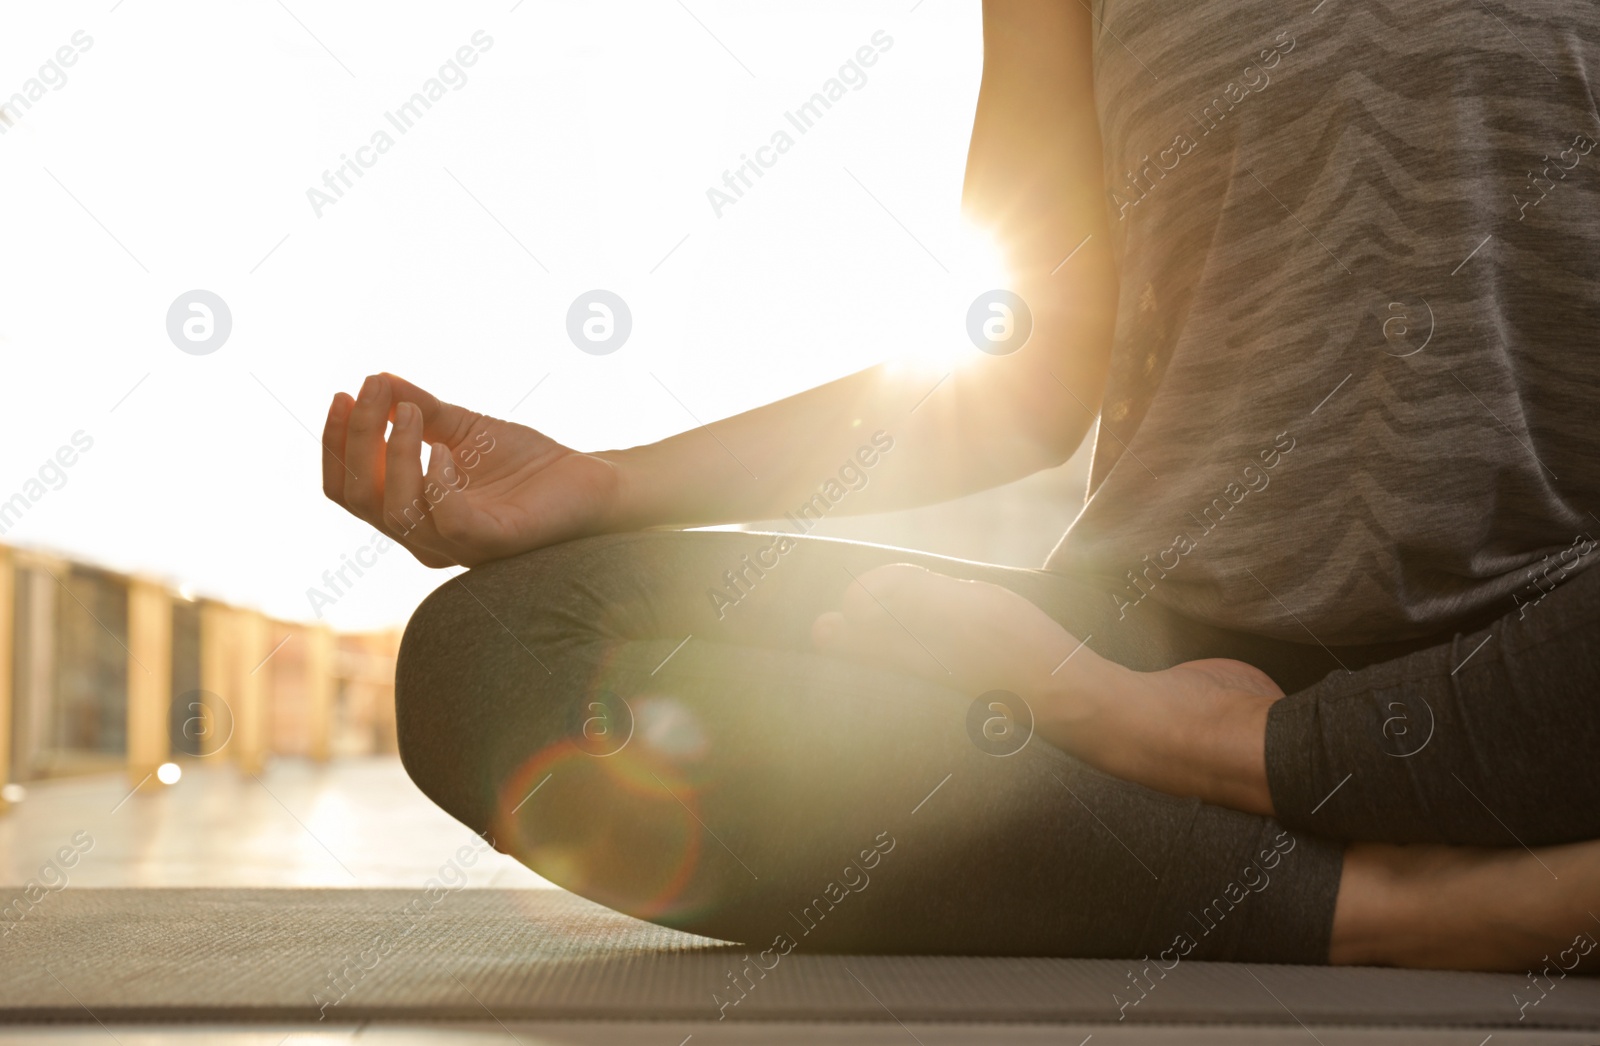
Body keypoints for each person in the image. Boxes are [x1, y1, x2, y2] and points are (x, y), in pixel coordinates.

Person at [321, 0, 1600, 971]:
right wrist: (606, 481)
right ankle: (1427, 905)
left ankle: (1227, 800)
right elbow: (1025, 375)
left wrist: (1161, 731)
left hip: (1549, 680)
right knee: (493, 653)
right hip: (1162, 649)